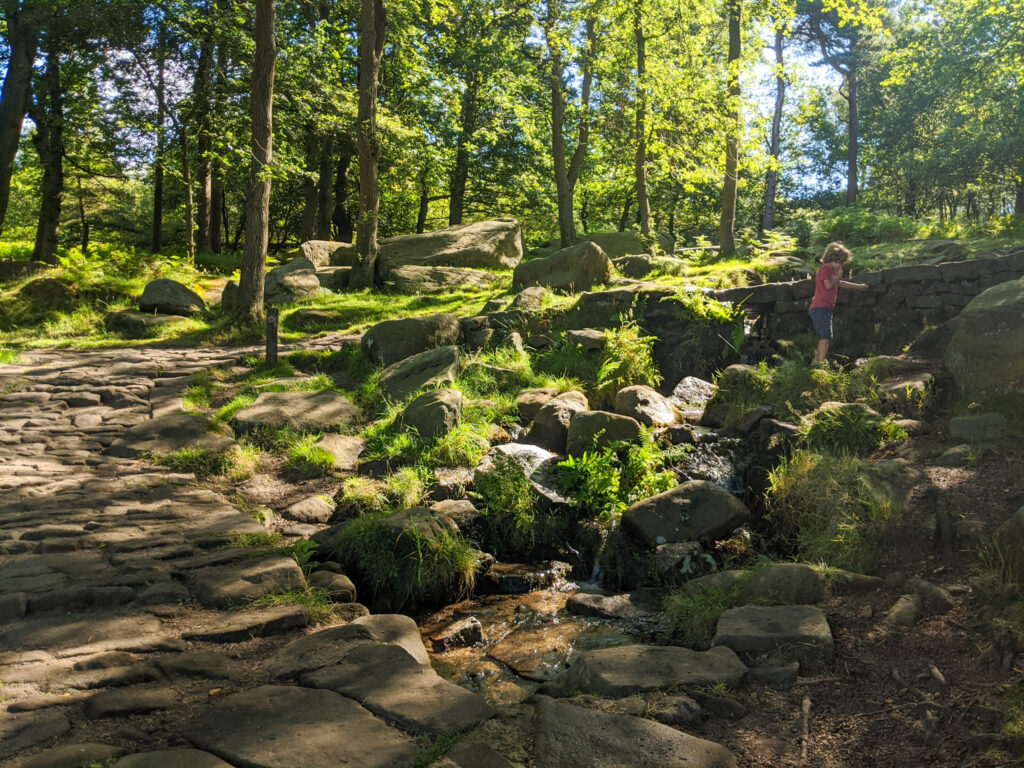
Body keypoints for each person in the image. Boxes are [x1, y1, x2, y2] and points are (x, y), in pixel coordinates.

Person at [809, 241, 868, 364]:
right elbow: (829, 285)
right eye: (839, 263)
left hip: (826, 308)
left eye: (841, 264)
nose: (840, 266)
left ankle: (816, 362)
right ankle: (819, 363)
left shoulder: (832, 272)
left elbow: (841, 284)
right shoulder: (824, 269)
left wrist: (860, 286)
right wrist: (838, 277)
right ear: (831, 259)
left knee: (825, 336)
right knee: (825, 335)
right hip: (820, 307)